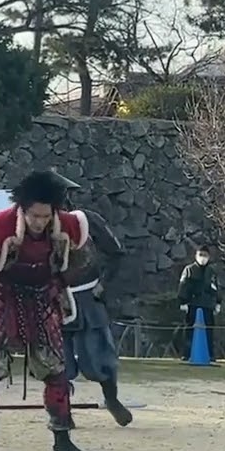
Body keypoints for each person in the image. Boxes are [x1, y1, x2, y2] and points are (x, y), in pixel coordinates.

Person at [0, 170, 93, 451]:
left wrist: (60, 282)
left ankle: (63, 440)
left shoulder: (67, 226)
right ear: (22, 210)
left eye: (45, 215)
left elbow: (83, 256)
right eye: (34, 216)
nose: (40, 222)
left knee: (57, 370)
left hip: (42, 295)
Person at [53, 172, 133, 427]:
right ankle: (61, 412)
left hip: (88, 296)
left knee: (100, 357)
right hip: (53, 299)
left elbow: (116, 253)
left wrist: (103, 285)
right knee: (56, 363)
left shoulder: (86, 221)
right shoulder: (32, 224)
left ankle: (112, 399)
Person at [176, 245, 221, 362]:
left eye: (205, 256)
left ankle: (210, 354)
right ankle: (187, 354)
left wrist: (218, 303)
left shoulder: (211, 272)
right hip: (192, 304)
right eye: (201, 255)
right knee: (190, 329)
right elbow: (183, 286)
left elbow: (215, 288)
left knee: (209, 330)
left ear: (209, 257)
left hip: (207, 305)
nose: (203, 258)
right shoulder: (189, 269)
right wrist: (183, 301)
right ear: (196, 256)